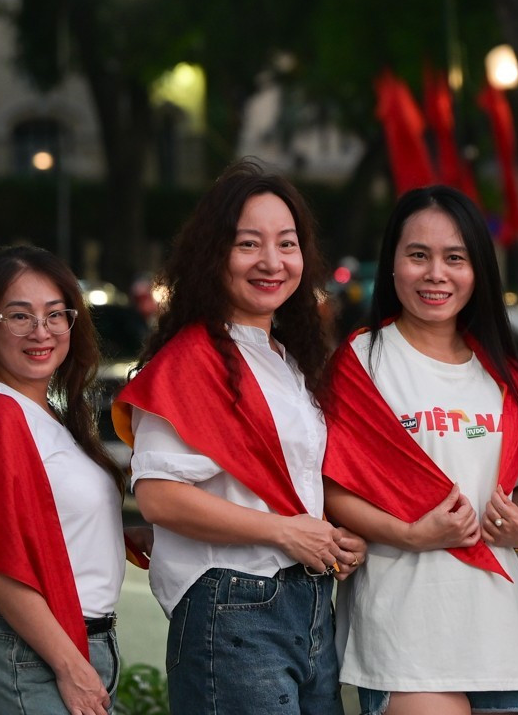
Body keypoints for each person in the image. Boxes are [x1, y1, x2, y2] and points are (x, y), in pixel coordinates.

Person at [114, 161, 365, 715]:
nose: (272, 262)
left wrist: (328, 536)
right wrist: (287, 532)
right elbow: (159, 497)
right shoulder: (191, 359)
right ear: (213, 254)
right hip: (232, 605)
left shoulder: (288, 360)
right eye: (249, 243)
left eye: (287, 244)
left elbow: (288, 485)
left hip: (306, 599)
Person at [323, 185, 518, 715]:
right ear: (392, 264)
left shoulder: (505, 376)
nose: (435, 274)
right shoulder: (362, 362)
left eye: (455, 258)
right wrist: (410, 534)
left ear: (478, 269)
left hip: (504, 633)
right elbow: (331, 486)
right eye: (418, 255)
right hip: (404, 633)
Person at [0, 245, 128, 715]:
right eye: (19, 316)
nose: (41, 331)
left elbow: (51, 530)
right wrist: (70, 667)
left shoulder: (48, 416)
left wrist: (129, 536)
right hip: (29, 656)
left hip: (70, 648)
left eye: (55, 315)